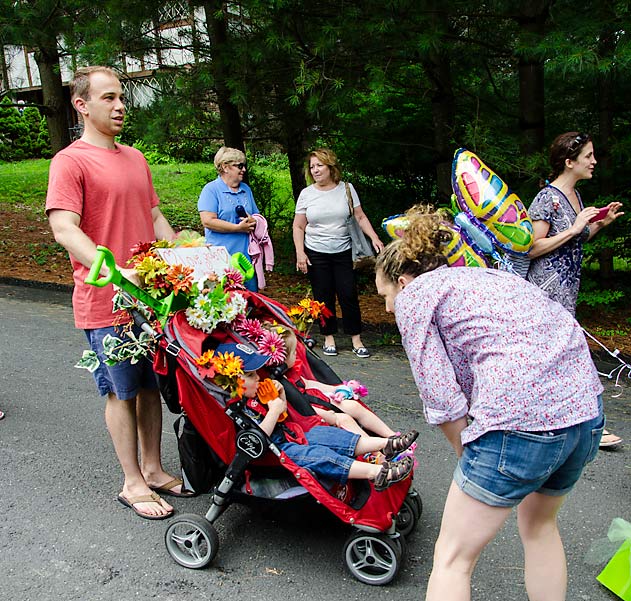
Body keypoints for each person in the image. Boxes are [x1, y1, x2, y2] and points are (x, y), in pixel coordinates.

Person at [374, 207, 604, 601]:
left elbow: (443, 401)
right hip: (583, 412)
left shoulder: (416, 295)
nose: (390, 307)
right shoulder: (487, 278)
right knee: (540, 526)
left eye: (387, 295)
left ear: (405, 277)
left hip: (517, 426)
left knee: (453, 559)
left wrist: (474, 465)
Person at [46, 65, 189, 521]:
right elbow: (63, 228)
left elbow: (155, 218)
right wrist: (115, 271)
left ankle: (153, 467)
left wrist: (185, 257)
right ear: (82, 105)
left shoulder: (136, 158)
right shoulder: (70, 162)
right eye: (108, 98)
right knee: (121, 392)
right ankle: (131, 482)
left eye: (121, 97)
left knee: (151, 388)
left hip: (151, 299)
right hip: (106, 301)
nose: (120, 105)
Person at [527, 131, 623, 449]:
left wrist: (597, 225)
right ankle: (593, 427)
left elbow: (573, 241)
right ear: (569, 162)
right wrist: (574, 228)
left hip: (567, 289)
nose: (594, 161)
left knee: (551, 359)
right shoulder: (547, 198)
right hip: (545, 291)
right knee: (570, 356)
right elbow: (532, 248)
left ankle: (543, 422)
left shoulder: (575, 197)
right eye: (588, 156)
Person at [219, 342, 415, 489]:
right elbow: (256, 441)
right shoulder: (236, 409)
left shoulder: (255, 395)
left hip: (292, 434)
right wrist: (274, 410)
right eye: (251, 375)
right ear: (235, 381)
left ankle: (385, 444)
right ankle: (378, 473)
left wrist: (281, 396)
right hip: (277, 451)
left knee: (331, 436)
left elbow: (282, 415)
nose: (258, 377)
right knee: (322, 456)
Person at [293, 148, 384, 358]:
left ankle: (356, 339)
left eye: (319, 166)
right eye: (312, 166)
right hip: (316, 251)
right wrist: (300, 253)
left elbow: (360, 217)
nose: (315, 170)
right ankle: (328, 338)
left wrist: (374, 238)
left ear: (330, 167)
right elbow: (298, 226)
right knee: (322, 296)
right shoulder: (307, 194)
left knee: (348, 294)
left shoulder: (347, 189)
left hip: (344, 250)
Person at [266, 322, 403, 439]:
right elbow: (296, 409)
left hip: (316, 399)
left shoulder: (290, 372)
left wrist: (337, 388)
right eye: (294, 352)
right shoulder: (279, 382)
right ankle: (376, 450)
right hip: (310, 413)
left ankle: (391, 436)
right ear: (281, 358)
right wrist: (326, 414)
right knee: (345, 419)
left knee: (353, 406)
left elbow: (308, 384)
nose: (297, 355)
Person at [198, 147, 259, 292]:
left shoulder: (246, 189)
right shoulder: (211, 190)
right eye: (239, 166)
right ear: (225, 167)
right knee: (224, 303)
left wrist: (254, 220)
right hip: (220, 259)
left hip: (245, 260)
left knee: (249, 301)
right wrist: (237, 228)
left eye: (244, 165)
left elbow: (257, 215)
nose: (243, 169)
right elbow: (208, 221)